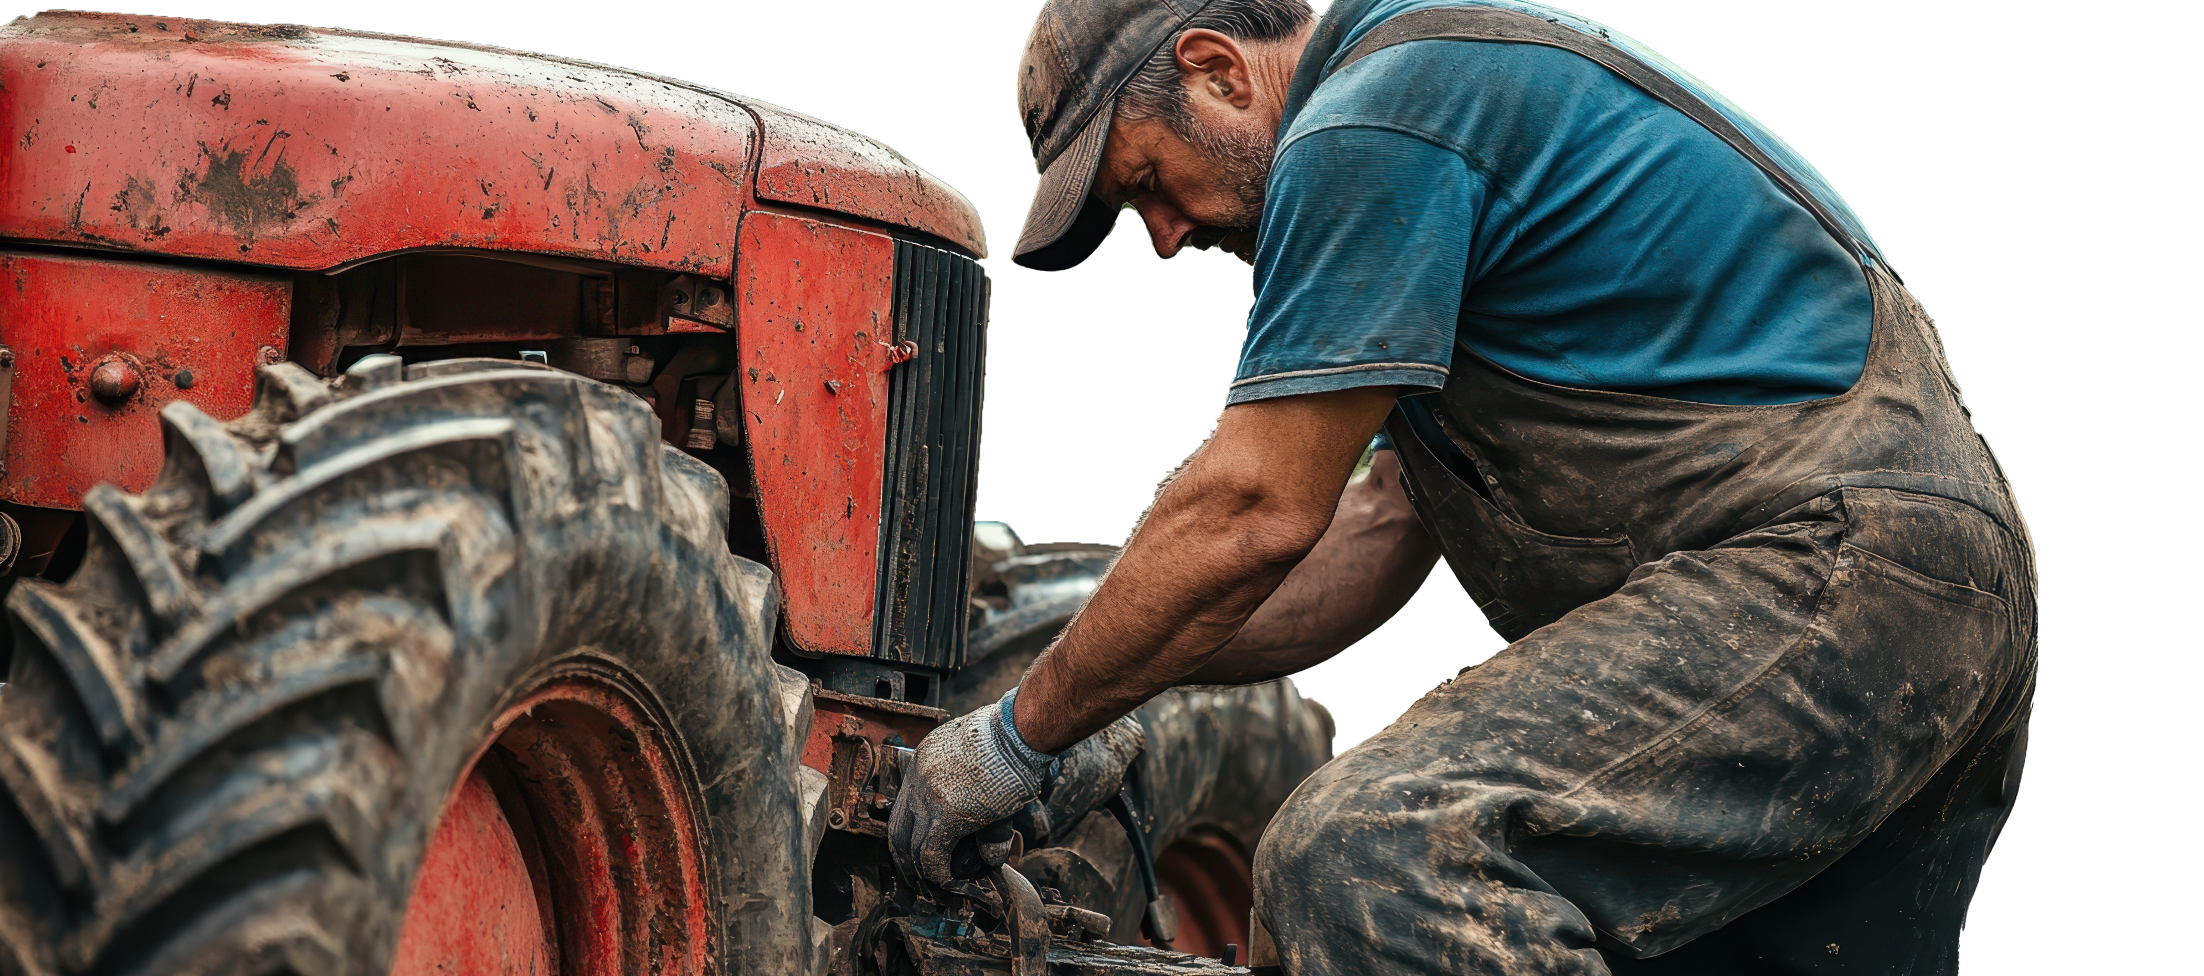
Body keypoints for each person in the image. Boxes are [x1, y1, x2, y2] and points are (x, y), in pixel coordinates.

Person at [890, 1, 2037, 972]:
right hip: (1921, 605)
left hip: (1829, 569)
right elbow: (1368, 533)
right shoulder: (1454, 113)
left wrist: (1013, 736)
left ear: (1216, 70)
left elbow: (1252, 511)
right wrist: (1110, 698)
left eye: (1144, 183)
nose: (1158, 236)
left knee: (1375, 852)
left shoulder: (1373, 118)